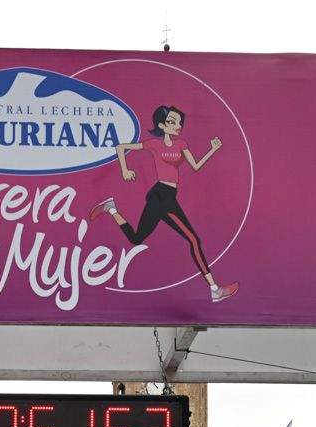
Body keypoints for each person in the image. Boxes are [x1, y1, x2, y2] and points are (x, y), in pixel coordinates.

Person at [90, 105, 238, 303]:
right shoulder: (154, 144)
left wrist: (212, 149)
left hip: (166, 197)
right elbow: (121, 148)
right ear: (161, 125)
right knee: (193, 240)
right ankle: (214, 289)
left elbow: (195, 166)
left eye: (179, 123)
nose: (177, 126)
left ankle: (111, 208)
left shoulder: (181, 144)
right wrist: (125, 170)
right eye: (172, 122)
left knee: (136, 238)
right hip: (161, 195)